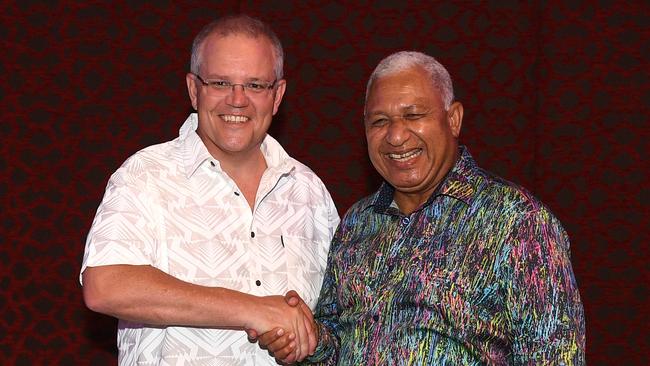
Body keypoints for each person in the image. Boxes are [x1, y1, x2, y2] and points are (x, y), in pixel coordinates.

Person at [255, 51, 585, 365]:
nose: (396, 136)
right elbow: (337, 349)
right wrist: (304, 342)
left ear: (453, 119)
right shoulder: (358, 222)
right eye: (380, 121)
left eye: (414, 115)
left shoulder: (517, 223)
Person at [80, 14, 339, 365]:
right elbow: (105, 285)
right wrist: (255, 310)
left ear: (277, 96)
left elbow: (339, 321)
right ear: (193, 89)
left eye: (255, 85)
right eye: (220, 83)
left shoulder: (310, 192)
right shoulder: (146, 175)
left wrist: (301, 337)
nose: (237, 100)